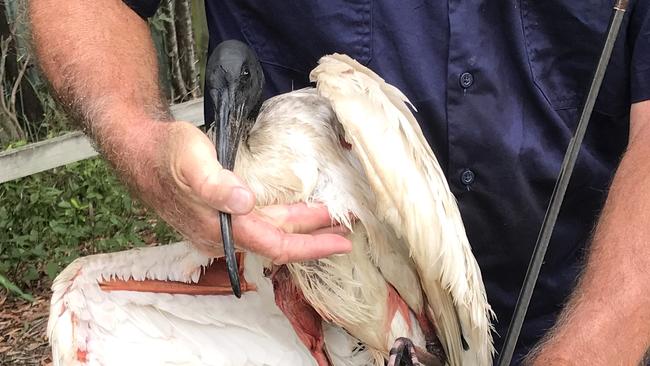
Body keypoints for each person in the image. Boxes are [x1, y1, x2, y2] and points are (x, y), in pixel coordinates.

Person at [29, 0, 650, 364]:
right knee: (82, 307)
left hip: (592, 314)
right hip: (296, 297)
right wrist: (144, 144)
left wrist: (586, 351)